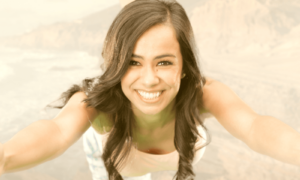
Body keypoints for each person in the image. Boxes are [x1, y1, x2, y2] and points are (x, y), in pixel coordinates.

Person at [1, 0, 300, 180]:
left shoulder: (202, 93)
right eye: (133, 62)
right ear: (116, 63)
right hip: (112, 157)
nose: (149, 80)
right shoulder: (96, 103)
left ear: (184, 66)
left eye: (164, 62)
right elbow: (55, 133)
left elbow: (255, 126)